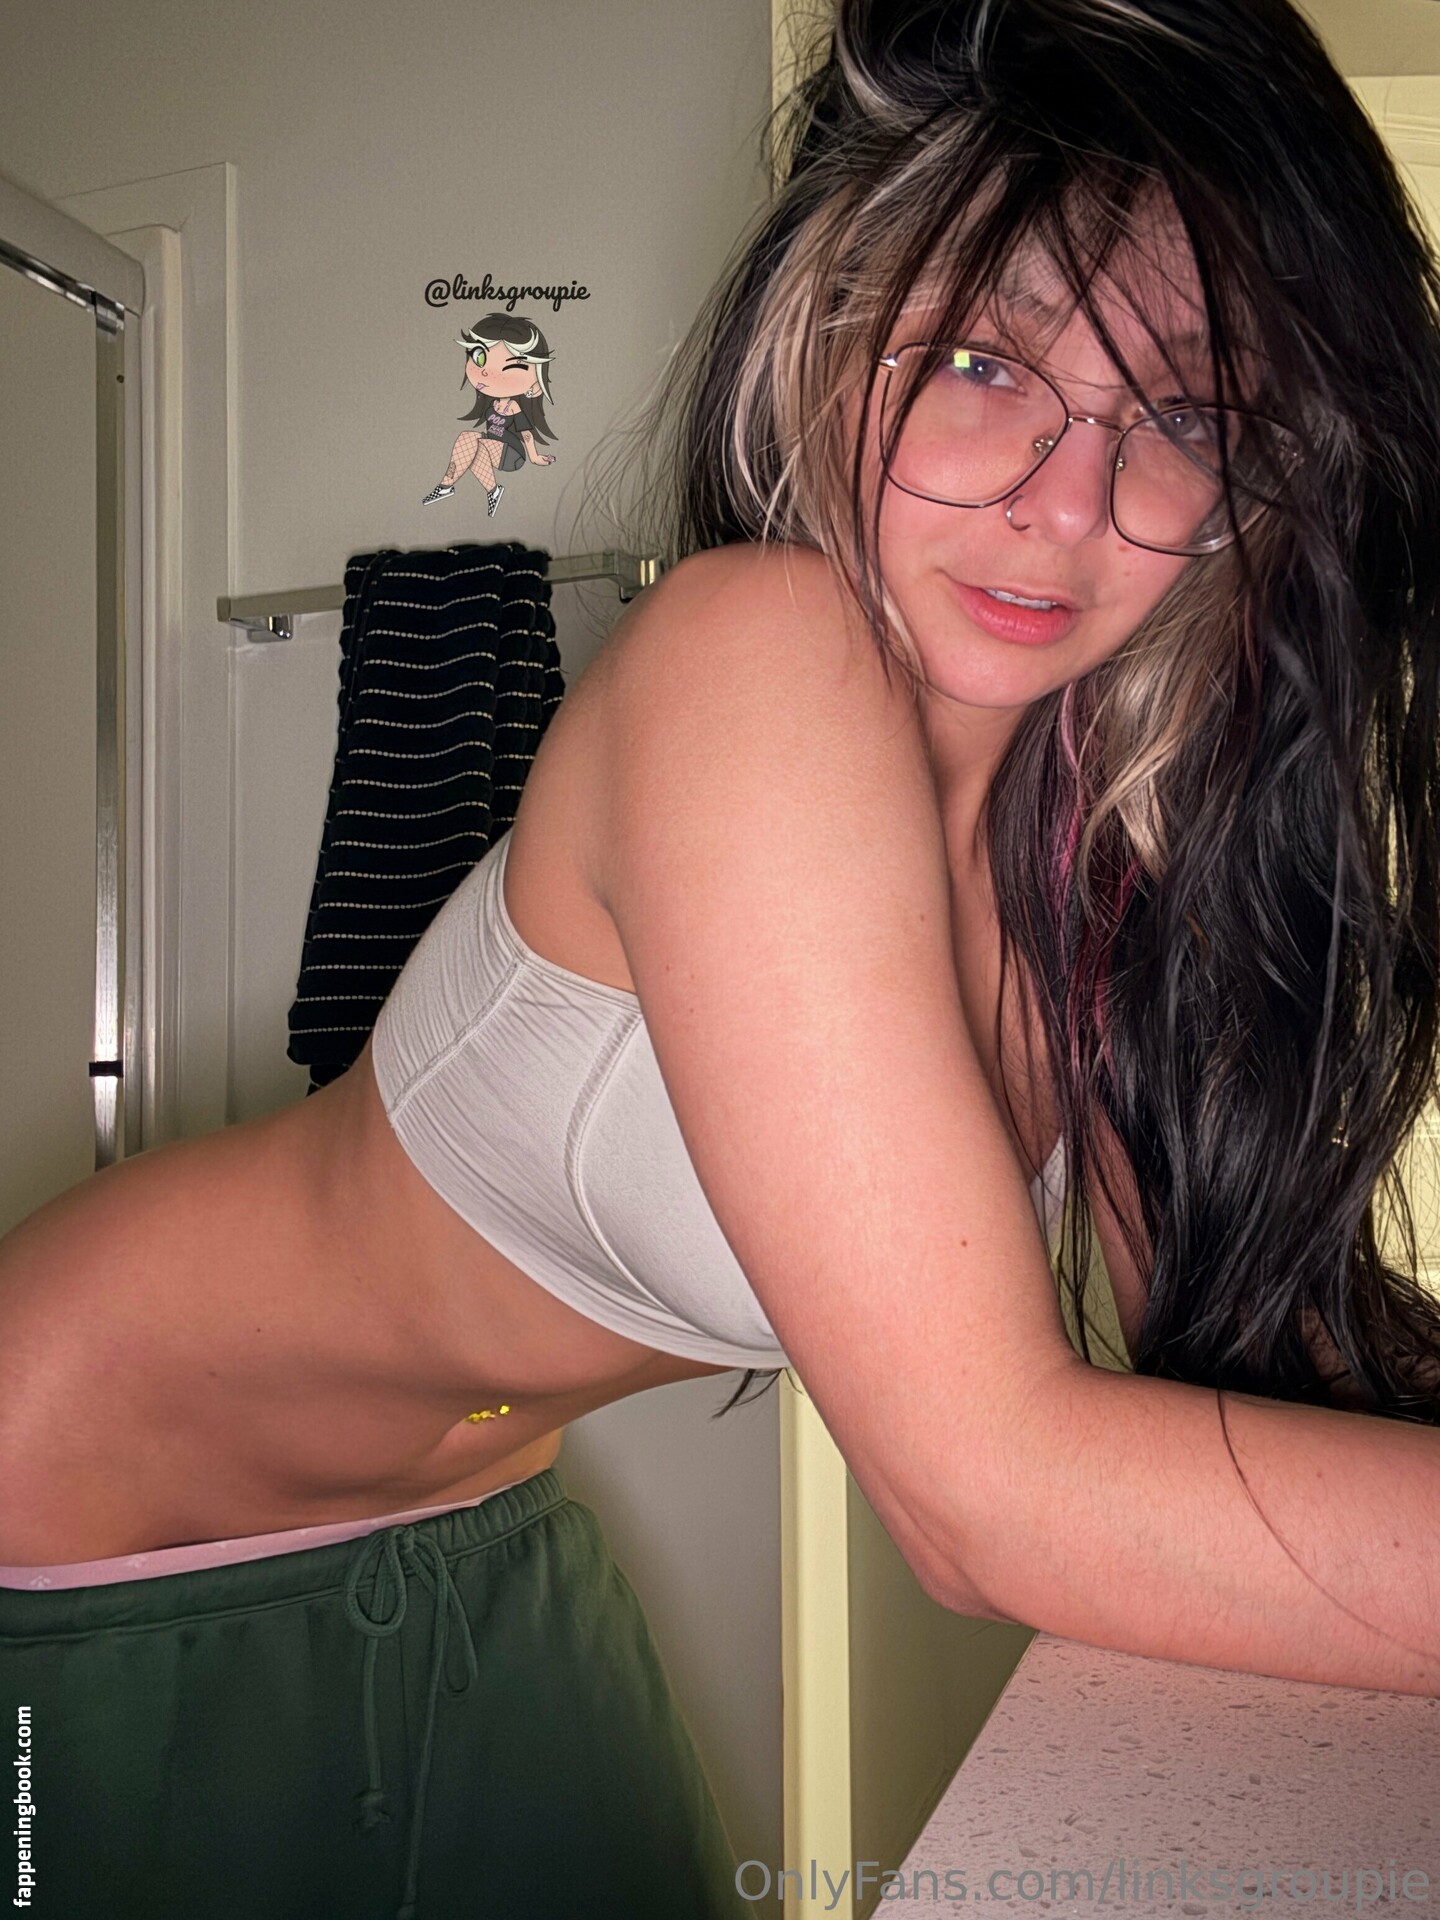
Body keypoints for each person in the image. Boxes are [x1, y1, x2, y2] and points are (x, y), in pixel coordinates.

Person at [6, 0, 1440, 1913]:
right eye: (984, 363)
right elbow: (994, 1498)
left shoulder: (1094, 842)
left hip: (477, 1530)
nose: (1067, 503)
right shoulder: (753, 655)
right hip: (66, 1512)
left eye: (1180, 416)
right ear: (829, 334)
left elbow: (1256, 1338)